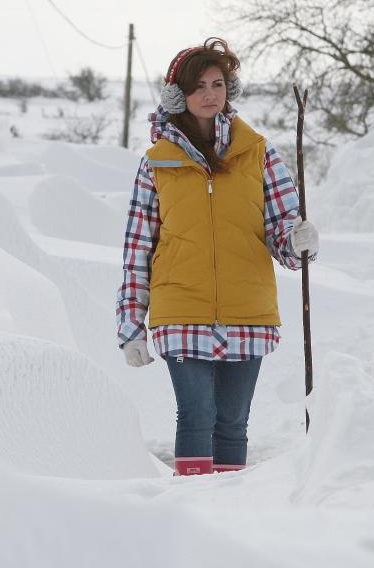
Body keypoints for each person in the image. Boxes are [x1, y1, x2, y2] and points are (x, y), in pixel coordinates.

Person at [115, 38, 320, 476]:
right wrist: (131, 325)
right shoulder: (157, 163)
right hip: (180, 308)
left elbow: (283, 233)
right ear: (179, 96)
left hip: (248, 307)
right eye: (199, 86)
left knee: (232, 423)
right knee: (195, 415)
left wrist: (299, 241)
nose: (210, 94)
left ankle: (227, 518)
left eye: (218, 83)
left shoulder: (259, 153)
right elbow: (138, 250)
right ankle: (191, 510)